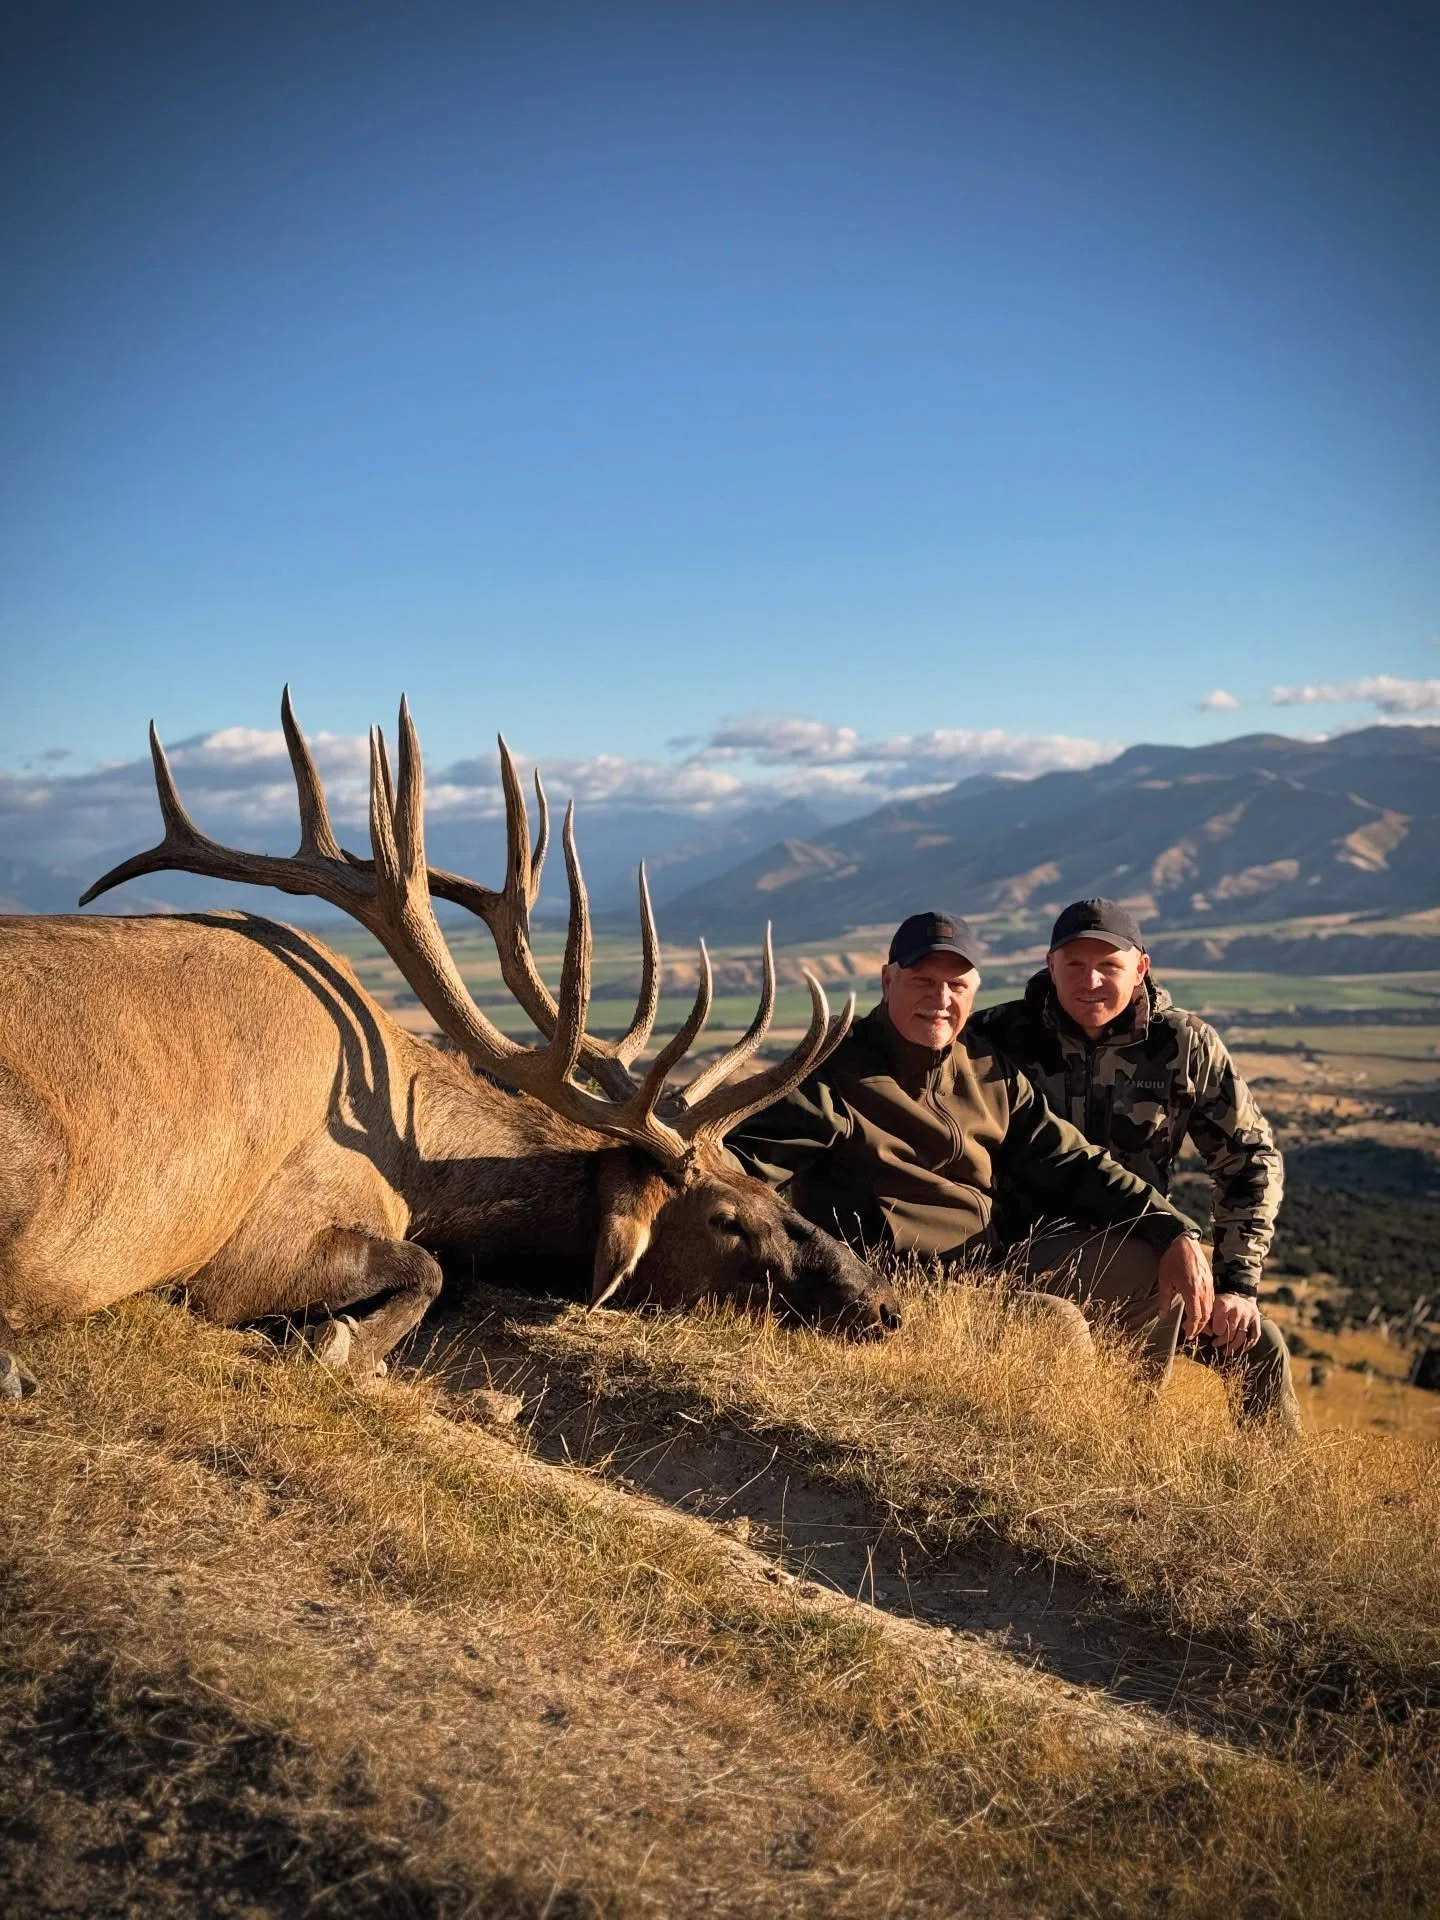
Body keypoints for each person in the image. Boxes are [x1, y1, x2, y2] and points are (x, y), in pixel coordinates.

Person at [729, 909, 1220, 1386]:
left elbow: (1071, 1160)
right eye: (923, 980)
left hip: (990, 1269)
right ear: (887, 981)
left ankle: (1129, 1419)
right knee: (1056, 1324)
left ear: (974, 991)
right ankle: (1057, 1439)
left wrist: (1173, 1229)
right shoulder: (832, 1076)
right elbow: (738, 1171)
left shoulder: (987, 1069)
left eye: (957, 985)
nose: (940, 998)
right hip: (893, 1290)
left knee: (1150, 1261)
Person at [970, 898, 1298, 1427]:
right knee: (1149, 1271)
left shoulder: (1185, 1044)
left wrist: (1237, 1284)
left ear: (1141, 967)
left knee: (1258, 1345)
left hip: (1149, 1238)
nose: (1090, 981)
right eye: (1074, 964)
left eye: (1109, 965)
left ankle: (1273, 1478)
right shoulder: (995, 1037)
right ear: (1049, 965)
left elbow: (1249, 1160)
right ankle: (1127, 1440)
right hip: (1024, 1252)